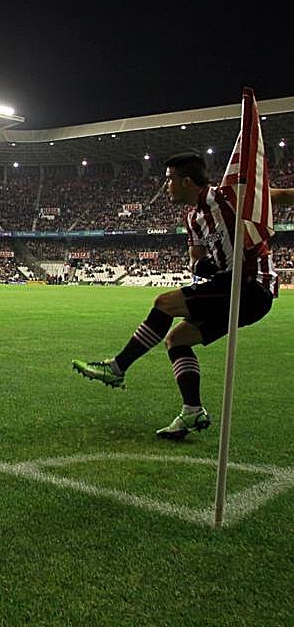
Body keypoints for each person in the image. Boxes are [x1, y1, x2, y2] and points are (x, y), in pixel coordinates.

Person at [73, 152, 294, 440]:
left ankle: (117, 367)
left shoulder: (227, 196)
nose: (166, 186)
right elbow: (196, 261)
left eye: (169, 180)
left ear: (187, 181)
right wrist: (204, 265)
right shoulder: (192, 217)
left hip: (252, 285)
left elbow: (279, 196)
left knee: (164, 303)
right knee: (176, 341)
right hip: (229, 285)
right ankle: (192, 410)